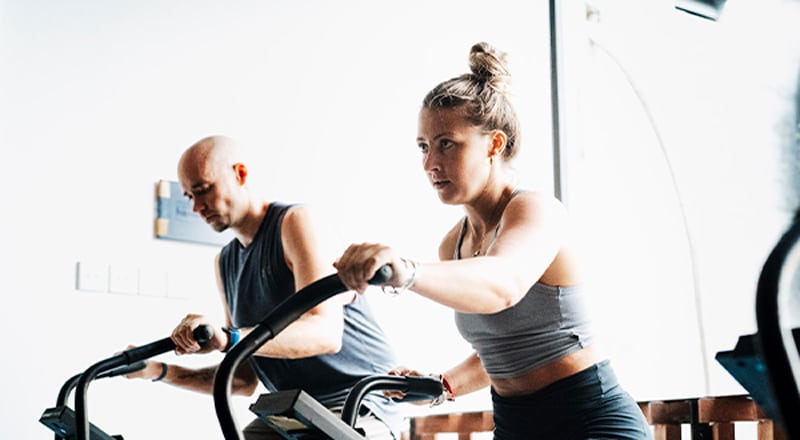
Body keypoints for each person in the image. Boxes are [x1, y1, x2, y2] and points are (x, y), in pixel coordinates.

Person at [333, 42, 653, 439]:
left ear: (494, 145)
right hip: (516, 424)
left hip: (589, 419)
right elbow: (503, 351)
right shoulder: (453, 245)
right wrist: (441, 384)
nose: (431, 163)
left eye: (447, 143)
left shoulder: (536, 210)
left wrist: (407, 272)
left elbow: (503, 285)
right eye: (423, 146)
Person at [126, 135, 401, 439]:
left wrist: (229, 338)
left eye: (203, 190)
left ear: (240, 174)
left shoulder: (295, 222)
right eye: (190, 197)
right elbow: (243, 379)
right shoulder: (225, 262)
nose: (197, 207)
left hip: (359, 401)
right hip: (294, 408)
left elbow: (325, 333)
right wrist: (159, 371)